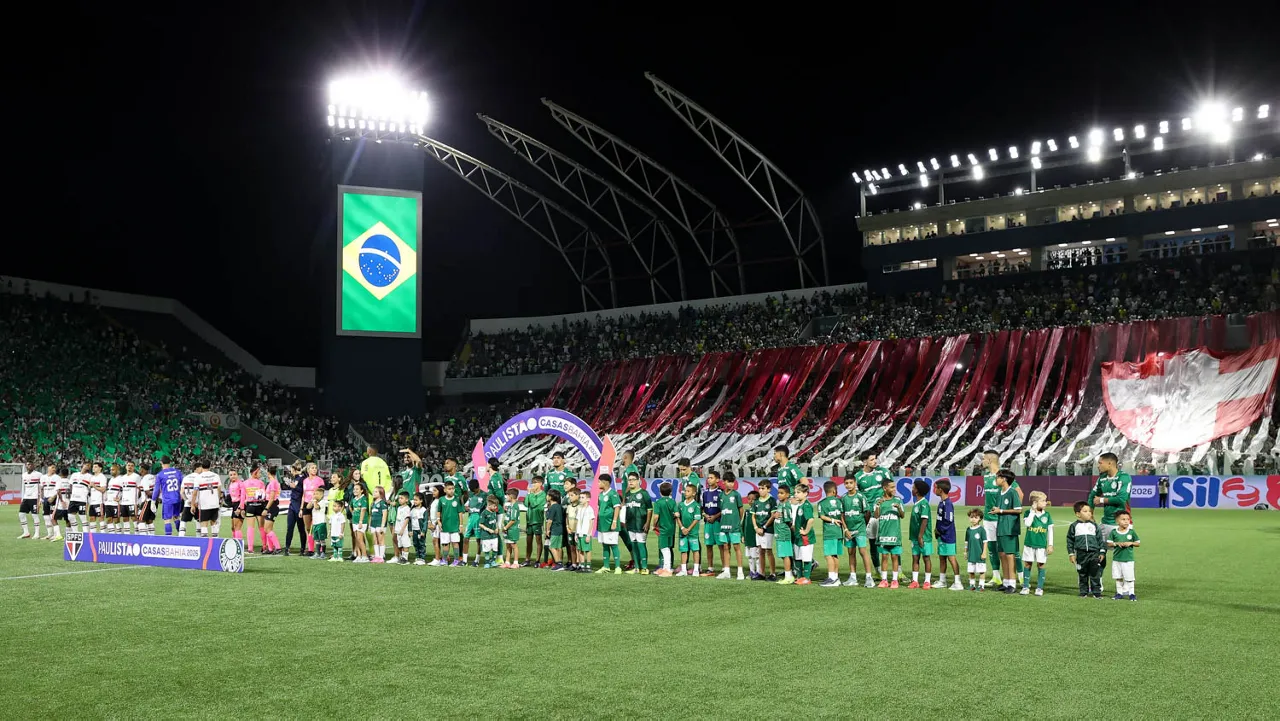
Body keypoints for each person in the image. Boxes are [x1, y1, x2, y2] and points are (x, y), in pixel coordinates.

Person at [1088, 452, 1133, 567]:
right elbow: (1092, 495)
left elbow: (1121, 499)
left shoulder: (1124, 477)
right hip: (1105, 523)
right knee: (1099, 552)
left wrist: (1102, 500)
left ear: (1110, 464)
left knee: (1122, 557)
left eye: (1100, 463)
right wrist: (1090, 514)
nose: (1098, 466)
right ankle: (1098, 583)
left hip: (1121, 523)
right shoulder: (1102, 478)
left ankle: (1125, 584)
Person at [855, 450, 892, 577]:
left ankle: (899, 571)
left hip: (885, 511)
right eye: (872, 459)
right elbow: (856, 496)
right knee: (873, 542)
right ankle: (878, 569)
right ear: (864, 462)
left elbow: (891, 489)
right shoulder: (858, 477)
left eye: (875, 458)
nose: (875, 461)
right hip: (869, 514)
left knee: (891, 540)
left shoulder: (883, 472)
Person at [989, 469, 1023, 594]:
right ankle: (1006, 582)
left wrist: (1001, 511)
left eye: (998, 477)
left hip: (1010, 528)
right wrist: (996, 510)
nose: (996, 479)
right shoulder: (1000, 493)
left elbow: (1019, 510)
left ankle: (1013, 583)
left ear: (1004, 479)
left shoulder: (1013, 492)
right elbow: (1000, 508)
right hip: (1001, 527)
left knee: (1010, 555)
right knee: (1002, 554)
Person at [1066, 501, 1105, 598]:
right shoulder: (1074, 526)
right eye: (1085, 511)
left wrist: (1102, 552)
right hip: (1081, 554)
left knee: (1095, 573)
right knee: (1082, 573)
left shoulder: (1094, 525)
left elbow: (1100, 539)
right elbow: (1070, 540)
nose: (1089, 513)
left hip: (1094, 553)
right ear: (1078, 514)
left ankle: (1096, 592)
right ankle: (1083, 592)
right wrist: (1071, 554)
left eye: (1089, 511)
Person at [840, 477, 874, 587]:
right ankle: (853, 577)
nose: (849, 485)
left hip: (860, 529)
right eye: (846, 483)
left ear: (855, 483)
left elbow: (867, 512)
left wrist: (863, 525)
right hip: (849, 531)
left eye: (851, 483)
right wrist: (845, 529)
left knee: (863, 551)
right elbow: (842, 515)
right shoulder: (843, 498)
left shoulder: (860, 496)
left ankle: (869, 577)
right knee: (851, 552)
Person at [1020, 491, 1054, 596]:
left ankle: (1039, 588)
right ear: (1035, 502)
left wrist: (1050, 544)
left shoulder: (1047, 515)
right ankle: (1025, 587)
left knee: (1041, 565)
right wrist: (1033, 511)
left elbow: (1050, 531)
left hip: (1041, 545)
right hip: (1029, 544)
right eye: (1043, 501)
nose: (1045, 502)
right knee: (1027, 564)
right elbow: (1027, 523)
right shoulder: (1028, 513)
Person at [872, 479, 904, 588]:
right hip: (883, 534)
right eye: (892, 487)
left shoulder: (898, 500)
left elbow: (902, 515)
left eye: (894, 487)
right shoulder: (878, 500)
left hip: (895, 534)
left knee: (895, 556)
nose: (894, 489)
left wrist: (899, 508)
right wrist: (877, 506)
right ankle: (884, 580)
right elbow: (876, 516)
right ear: (885, 488)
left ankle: (895, 580)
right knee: (884, 556)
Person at [932, 479, 961, 590]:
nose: (934, 490)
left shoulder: (948, 503)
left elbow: (948, 520)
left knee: (951, 558)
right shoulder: (941, 502)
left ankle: (958, 582)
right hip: (941, 536)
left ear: (941, 490)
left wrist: (940, 530)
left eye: (936, 488)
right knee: (942, 557)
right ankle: (942, 580)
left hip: (948, 536)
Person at [717, 472, 745, 580]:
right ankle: (727, 571)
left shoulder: (736, 495)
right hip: (724, 525)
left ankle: (740, 571)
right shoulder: (721, 495)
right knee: (725, 547)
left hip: (734, 526)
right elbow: (722, 509)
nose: (731, 484)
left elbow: (741, 510)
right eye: (728, 482)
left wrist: (737, 521)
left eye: (732, 482)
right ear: (723, 482)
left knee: (736, 547)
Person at [623, 472, 652, 575]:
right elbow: (627, 508)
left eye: (632, 479)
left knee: (641, 545)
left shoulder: (644, 493)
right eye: (629, 480)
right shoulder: (627, 494)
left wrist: (647, 523)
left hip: (641, 523)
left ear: (638, 480)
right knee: (634, 545)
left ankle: (644, 567)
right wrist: (626, 521)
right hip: (631, 524)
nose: (630, 482)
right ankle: (636, 567)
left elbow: (649, 509)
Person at [1107, 510, 1140, 601]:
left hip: (1128, 559)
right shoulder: (1114, 532)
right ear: (1117, 521)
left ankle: (1132, 594)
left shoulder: (1131, 532)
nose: (1126, 521)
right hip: (1117, 559)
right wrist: (1117, 543)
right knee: (1118, 577)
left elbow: (1138, 543)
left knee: (1129, 577)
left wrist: (1131, 543)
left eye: (1128, 519)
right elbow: (1109, 543)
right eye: (1123, 519)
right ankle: (1119, 593)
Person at [817, 480, 844, 587]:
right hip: (839, 532)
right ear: (834, 491)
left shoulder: (822, 503)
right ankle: (836, 578)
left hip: (829, 532)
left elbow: (822, 516)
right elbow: (842, 515)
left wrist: (832, 520)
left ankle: (832, 578)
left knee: (828, 555)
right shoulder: (839, 502)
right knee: (835, 555)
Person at [616, 450, 641, 569]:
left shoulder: (630, 469)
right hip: (629, 502)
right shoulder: (631, 469)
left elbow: (631, 485)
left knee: (628, 531)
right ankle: (634, 559)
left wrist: (624, 500)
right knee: (624, 531)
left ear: (625, 457)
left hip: (630, 503)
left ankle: (637, 560)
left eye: (623, 457)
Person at [908, 479, 934, 589]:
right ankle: (915, 581)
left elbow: (924, 521)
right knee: (915, 558)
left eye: (913, 488)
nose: (911, 489)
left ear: (917, 491)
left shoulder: (924, 504)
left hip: (924, 537)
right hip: (914, 537)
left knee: (926, 558)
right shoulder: (916, 503)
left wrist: (920, 536)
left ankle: (927, 581)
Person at [752, 479, 778, 580]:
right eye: (759, 488)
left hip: (768, 530)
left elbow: (772, 515)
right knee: (760, 551)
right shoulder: (756, 501)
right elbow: (753, 516)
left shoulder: (771, 500)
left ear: (769, 489)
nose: (760, 490)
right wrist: (756, 528)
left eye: (763, 488)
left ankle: (772, 573)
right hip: (758, 530)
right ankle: (761, 573)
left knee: (768, 551)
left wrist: (764, 527)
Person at [595, 474, 622, 573]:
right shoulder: (601, 495)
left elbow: (617, 507)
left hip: (610, 523)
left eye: (599, 482)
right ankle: (606, 566)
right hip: (602, 524)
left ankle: (618, 567)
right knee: (605, 544)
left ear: (605, 482)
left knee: (613, 544)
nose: (598, 484)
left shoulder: (613, 494)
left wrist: (614, 521)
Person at [791, 483, 816, 586]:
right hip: (798, 536)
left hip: (805, 537)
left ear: (805, 493)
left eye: (798, 492)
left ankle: (806, 578)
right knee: (797, 557)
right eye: (795, 492)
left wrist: (806, 531)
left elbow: (810, 519)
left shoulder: (806, 505)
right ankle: (800, 577)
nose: (796, 494)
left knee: (806, 557)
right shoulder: (800, 505)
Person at [153, 456, 183, 537]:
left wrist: (153, 501)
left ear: (161, 463)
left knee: (167, 520)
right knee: (176, 517)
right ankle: (181, 535)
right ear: (170, 462)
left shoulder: (160, 475)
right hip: (177, 499)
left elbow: (156, 490)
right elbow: (182, 485)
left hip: (167, 500)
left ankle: (168, 538)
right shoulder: (178, 472)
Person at [676, 482, 702, 576]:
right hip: (682, 532)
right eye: (685, 491)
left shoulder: (696, 505)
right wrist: (682, 528)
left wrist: (688, 529)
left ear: (694, 493)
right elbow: (677, 517)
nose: (685, 493)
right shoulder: (681, 505)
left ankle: (696, 569)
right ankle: (683, 570)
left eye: (688, 491)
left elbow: (696, 519)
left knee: (695, 550)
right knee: (683, 550)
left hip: (693, 533)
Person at [652, 482, 677, 577]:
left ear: (660, 492)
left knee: (664, 548)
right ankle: (666, 568)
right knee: (668, 548)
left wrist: (654, 525)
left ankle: (667, 568)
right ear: (671, 492)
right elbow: (676, 514)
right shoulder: (673, 502)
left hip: (663, 528)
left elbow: (656, 516)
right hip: (671, 528)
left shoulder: (658, 503)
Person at [772, 484, 796, 584]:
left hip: (783, 533)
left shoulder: (786, 506)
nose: (779, 495)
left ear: (787, 495)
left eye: (782, 493)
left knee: (785, 555)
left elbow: (788, 521)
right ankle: (789, 574)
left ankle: (788, 576)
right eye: (778, 493)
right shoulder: (780, 504)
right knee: (783, 555)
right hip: (779, 533)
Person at [700, 470, 722, 576]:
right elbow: (702, 508)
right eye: (708, 478)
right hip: (708, 523)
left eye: (711, 478)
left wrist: (715, 516)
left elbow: (724, 509)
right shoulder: (705, 493)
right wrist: (705, 515)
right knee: (708, 545)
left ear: (717, 480)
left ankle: (724, 567)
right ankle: (710, 567)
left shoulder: (721, 493)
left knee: (721, 545)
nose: (709, 479)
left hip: (718, 522)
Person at [192, 461, 222, 538]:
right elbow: (219, 490)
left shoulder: (198, 477)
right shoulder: (216, 476)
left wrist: (192, 504)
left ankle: (205, 545)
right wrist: (218, 499)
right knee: (214, 524)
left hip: (204, 505)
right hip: (215, 504)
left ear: (202, 467)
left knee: (204, 524)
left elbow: (195, 493)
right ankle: (215, 543)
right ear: (210, 466)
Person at [301, 464, 326, 556]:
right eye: (312, 468)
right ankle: (310, 549)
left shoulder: (320, 480)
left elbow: (322, 494)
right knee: (308, 528)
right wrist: (301, 508)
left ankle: (319, 550)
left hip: (316, 504)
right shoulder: (305, 481)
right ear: (308, 470)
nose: (314, 469)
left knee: (316, 527)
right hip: (307, 504)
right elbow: (303, 495)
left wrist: (316, 501)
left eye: (315, 468)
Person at [282, 461, 306, 554]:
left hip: (299, 505)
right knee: (290, 527)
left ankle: (302, 549)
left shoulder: (302, 478)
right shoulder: (296, 478)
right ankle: (287, 548)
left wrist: (294, 487)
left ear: (294, 469)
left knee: (301, 528)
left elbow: (302, 490)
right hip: (292, 505)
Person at [438, 481, 464, 566]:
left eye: (453, 488)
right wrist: (439, 521)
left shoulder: (457, 499)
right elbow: (439, 511)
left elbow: (460, 513)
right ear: (445, 490)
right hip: (445, 526)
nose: (451, 490)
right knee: (445, 543)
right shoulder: (441, 500)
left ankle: (456, 560)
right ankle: (445, 560)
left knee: (455, 543)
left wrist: (461, 525)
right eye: (449, 489)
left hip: (455, 526)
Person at [360, 444, 394, 509]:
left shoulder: (365, 463)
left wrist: (370, 491)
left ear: (369, 451)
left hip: (370, 493)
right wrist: (383, 491)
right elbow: (388, 478)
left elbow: (363, 477)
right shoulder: (383, 462)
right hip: (382, 493)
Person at [523, 476, 546, 568]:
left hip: (537, 521)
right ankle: (527, 559)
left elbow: (533, 504)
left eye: (535, 482)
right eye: (532, 482)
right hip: (529, 521)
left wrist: (530, 494)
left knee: (538, 541)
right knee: (528, 541)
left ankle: (537, 560)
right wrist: (529, 494)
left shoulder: (543, 494)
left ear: (540, 484)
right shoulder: (531, 494)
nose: (533, 484)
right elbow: (525, 504)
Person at [463, 479, 487, 567]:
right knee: (466, 538)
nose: (473, 492)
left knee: (478, 540)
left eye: (474, 490)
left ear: (478, 487)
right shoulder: (470, 494)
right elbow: (466, 504)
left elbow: (487, 508)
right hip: (470, 519)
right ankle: (464, 561)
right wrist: (466, 507)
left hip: (479, 519)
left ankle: (476, 560)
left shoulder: (484, 495)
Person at [243, 468, 267, 554]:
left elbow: (243, 497)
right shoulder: (261, 483)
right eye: (259, 472)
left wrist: (242, 507)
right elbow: (263, 496)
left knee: (250, 527)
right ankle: (264, 546)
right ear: (254, 473)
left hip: (250, 506)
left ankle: (250, 548)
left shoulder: (245, 483)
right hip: (259, 506)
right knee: (262, 527)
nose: (260, 474)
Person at [964, 509, 988, 590]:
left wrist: (984, 552)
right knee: (971, 570)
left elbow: (985, 542)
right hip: (971, 554)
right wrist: (965, 552)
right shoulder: (968, 530)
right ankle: (972, 585)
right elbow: (966, 542)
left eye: (976, 517)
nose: (973, 519)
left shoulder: (981, 530)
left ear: (980, 518)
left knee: (981, 571)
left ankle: (981, 586)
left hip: (979, 554)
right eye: (971, 517)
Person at [261, 466, 283, 554]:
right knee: (268, 528)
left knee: (267, 529)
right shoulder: (273, 482)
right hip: (271, 505)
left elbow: (272, 497)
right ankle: (270, 548)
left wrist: (266, 508)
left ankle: (278, 547)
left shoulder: (273, 482)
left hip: (272, 506)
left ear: (268, 473)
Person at [544, 488, 567, 571]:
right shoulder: (559, 506)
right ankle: (560, 562)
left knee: (552, 547)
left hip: (555, 529)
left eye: (547, 495)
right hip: (560, 529)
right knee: (558, 547)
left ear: (551, 497)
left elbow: (549, 521)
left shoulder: (553, 507)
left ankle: (558, 563)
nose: (546, 496)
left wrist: (547, 530)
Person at [478, 495, 503, 568]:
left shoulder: (494, 512)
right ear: (489, 505)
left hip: (494, 535)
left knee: (495, 549)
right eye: (494, 506)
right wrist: (488, 529)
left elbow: (495, 522)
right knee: (487, 550)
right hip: (486, 536)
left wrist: (497, 528)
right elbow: (480, 524)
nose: (496, 507)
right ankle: (487, 562)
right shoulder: (484, 513)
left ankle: (493, 561)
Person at [18, 461, 41, 539]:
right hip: (26, 498)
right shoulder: (23, 475)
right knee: (21, 514)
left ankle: (37, 534)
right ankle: (26, 532)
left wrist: (40, 499)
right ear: (26, 466)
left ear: (34, 465)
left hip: (34, 498)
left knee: (35, 515)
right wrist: (22, 498)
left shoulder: (38, 475)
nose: (29, 466)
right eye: (28, 464)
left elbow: (41, 487)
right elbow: (24, 487)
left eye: (31, 464)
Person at [387, 492, 411, 564]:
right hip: (398, 529)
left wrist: (403, 529)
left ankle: (405, 559)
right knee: (400, 544)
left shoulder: (407, 508)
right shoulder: (399, 508)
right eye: (399, 498)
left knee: (405, 544)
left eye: (402, 498)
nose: (400, 500)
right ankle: (402, 557)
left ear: (406, 500)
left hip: (404, 530)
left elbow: (407, 519)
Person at [741, 489, 760, 579]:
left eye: (753, 499)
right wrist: (742, 535)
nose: (750, 501)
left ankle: (759, 572)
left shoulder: (759, 512)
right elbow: (743, 524)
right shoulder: (747, 511)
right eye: (749, 499)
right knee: (749, 556)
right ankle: (752, 571)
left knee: (757, 556)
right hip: (748, 538)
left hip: (755, 537)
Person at [574, 490, 595, 573]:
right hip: (579, 533)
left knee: (588, 550)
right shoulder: (579, 509)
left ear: (588, 499)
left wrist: (589, 534)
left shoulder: (590, 509)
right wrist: (576, 533)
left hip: (586, 533)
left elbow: (591, 522)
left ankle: (588, 565)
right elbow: (577, 521)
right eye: (580, 497)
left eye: (583, 498)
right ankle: (582, 565)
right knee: (580, 549)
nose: (580, 499)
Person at [349, 481, 370, 563]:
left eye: (357, 489)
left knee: (360, 539)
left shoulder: (363, 499)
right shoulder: (354, 499)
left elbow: (363, 510)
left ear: (361, 490)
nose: (355, 491)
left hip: (361, 522)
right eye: (354, 489)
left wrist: (361, 521)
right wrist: (353, 513)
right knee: (356, 539)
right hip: (354, 521)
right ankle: (358, 555)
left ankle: (365, 556)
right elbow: (350, 507)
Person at [501, 488, 522, 569]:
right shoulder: (511, 506)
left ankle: (516, 563)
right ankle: (507, 562)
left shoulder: (514, 506)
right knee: (508, 545)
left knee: (513, 545)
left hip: (512, 529)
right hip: (508, 529)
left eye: (507, 495)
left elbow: (513, 520)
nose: (506, 497)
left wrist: (506, 527)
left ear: (511, 496)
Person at [119, 461, 140, 535]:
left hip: (133, 502)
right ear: (126, 467)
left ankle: (137, 535)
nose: (130, 467)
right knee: (125, 519)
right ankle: (127, 535)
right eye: (128, 465)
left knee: (134, 518)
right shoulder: (123, 477)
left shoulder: (136, 477)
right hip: (124, 502)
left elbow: (140, 489)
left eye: (132, 465)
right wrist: (119, 498)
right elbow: (121, 490)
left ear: (134, 467)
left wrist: (138, 500)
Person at [369, 486, 389, 564]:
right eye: (374, 492)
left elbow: (384, 514)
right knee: (375, 540)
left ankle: (381, 556)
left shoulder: (382, 503)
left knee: (381, 540)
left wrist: (382, 525)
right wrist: (370, 525)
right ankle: (376, 556)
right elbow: (371, 515)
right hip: (373, 524)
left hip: (380, 524)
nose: (374, 493)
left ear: (381, 493)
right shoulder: (373, 503)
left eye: (376, 492)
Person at [564, 486, 582, 571]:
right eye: (569, 495)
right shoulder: (569, 506)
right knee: (572, 547)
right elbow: (567, 517)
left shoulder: (580, 507)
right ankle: (574, 564)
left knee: (579, 548)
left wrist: (578, 530)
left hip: (578, 531)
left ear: (577, 496)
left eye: (572, 495)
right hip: (570, 530)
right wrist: (567, 527)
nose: (570, 497)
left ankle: (580, 563)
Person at [228, 469, 246, 547]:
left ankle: (239, 545)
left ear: (237, 475)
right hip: (234, 505)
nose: (233, 476)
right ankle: (235, 542)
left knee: (237, 527)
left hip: (239, 505)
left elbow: (243, 496)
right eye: (231, 475)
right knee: (233, 527)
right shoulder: (231, 484)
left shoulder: (240, 484)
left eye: (234, 474)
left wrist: (240, 508)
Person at [104, 464, 124, 533]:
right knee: (109, 520)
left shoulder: (121, 479)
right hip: (108, 503)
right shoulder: (111, 479)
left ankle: (119, 536)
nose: (111, 471)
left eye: (113, 470)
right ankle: (111, 536)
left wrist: (120, 498)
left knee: (116, 520)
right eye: (110, 470)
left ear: (118, 471)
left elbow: (125, 490)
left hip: (116, 503)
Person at [137, 465, 157, 535]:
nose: (139, 470)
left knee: (140, 521)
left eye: (140, 469)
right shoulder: (153, 477)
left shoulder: (145, 479)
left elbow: (147, 492)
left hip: (147, 501)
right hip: (154, 501)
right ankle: (152, 538)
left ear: (143, 469)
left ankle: (144, 539)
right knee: (149, 521)